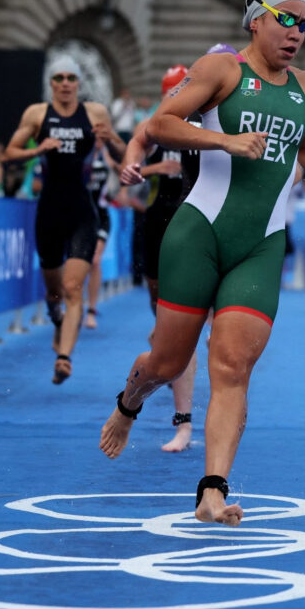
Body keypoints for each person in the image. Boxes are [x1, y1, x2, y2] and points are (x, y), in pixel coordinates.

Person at [99, 0, 305, 526]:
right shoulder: (221, 70)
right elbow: (161, 124)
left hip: (261, 246)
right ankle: (130, 400)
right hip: (198, 233)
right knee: (169, 361)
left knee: (232, 365)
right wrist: (223, 140)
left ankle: (211, 490)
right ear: (257, 19)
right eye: (287, 19)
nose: (297, 32)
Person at [4, 57, 126, 383]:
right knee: (55, 291)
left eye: (71, 77)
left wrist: (112, 137)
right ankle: (56, 318)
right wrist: (36, 149)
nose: (66, 83)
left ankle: (64, 357)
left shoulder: (95, 113)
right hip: (48, 212)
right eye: (59, 77)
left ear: (78, 83)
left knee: (74, 288)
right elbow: (9, 153)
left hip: (81, 212)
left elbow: (123, 156)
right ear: (52, 83)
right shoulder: (37, 114)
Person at [117, 63, 207, 453]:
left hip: (200, 224)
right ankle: (175, 413)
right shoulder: (158, 119)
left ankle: (187, 424)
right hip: (161, 222)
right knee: (167, 333)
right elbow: (134, 148)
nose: (175, 96)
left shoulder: (209, 119)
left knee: (212, 341)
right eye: (169, 90)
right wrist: (142, 167)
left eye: (180, 89)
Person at [84, 135, 117, 330]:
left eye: (100, 138)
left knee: (95, 261)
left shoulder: (106, 158)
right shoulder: (81, 156)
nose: (97, 140)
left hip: (101, 218)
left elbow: (120, 176)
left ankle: (91, 310)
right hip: (80, 217)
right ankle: (71, 303)